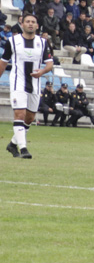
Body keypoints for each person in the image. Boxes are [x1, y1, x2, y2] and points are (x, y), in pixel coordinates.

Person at [1, 14, 54, 159]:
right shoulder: (12, 41)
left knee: (29, 118)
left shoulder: (43, 43)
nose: (30, 24)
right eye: (28, 22)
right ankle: (23, 149)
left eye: (33, 22)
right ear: (22, 24)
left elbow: (50, 63)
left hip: (35, 85)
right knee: (20, 114)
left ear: (37, 25)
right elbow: (3, 62)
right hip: (18, 83)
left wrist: (42, 71)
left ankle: (12, 144)